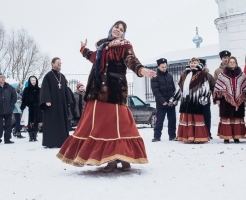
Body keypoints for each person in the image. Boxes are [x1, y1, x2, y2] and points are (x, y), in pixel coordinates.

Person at [57, 21, 156, 172]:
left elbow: (131, 60)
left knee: (122, 125)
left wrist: (141, 69)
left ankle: (123, 157)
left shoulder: (124, 45)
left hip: (115, 91)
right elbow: (92, 57)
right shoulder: (102, 47)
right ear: (111, 29)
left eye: (121, 29)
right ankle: (110, 159)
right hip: (97, 91)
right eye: (116, 27)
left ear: (123, 34)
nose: (118, 30)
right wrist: (83, 49)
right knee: (101, 127)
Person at [213, 57, 246, 144]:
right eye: (231, 62)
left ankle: (237, 137)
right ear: (228, 63)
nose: (232, 63)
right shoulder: (222, 74)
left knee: (237, 117)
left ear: (236, 63)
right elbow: (217, 88)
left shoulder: (241, 75)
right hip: (226, 100)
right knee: (227, 117)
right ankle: (226, 137)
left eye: (234, 62)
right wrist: (217, 99)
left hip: (238, 100)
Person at [39, 58, 73, 148]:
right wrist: (47, 100)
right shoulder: (48, 76)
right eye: (57, 63)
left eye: (60, 63)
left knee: (62, 122)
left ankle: (62, 141)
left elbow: (66, 89)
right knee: (52, 122)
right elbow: (45, 89)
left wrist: (68, 101)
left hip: (61, 104)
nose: (59, 64)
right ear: (52, 64)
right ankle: (51, 142)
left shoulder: (62, 76)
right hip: (52, 105)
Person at [177, 58, 211, 143]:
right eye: (191, 63)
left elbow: (206, 87)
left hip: (196, 100)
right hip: (185, 101)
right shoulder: (184, 74)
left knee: (196, 118)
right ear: (189, 64)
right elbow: (179, 87)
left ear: (198, 64)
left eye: (195, 63)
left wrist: (204, 97)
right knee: (187, 119)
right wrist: (174, 98)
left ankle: (199, 137)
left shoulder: (202, 74)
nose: (193, 64)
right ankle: (187, 137)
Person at [150, 58, 176, 142]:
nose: (164, 68)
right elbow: (155, 91)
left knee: (172, 120)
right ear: (158, 67)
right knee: (159, 121)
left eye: (165, 67)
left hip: (171, 103)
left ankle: (172, 136)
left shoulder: (170, 76)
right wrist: (162, 101)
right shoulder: (155, 77)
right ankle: (157, 136)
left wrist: (174, 99)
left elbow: (173, 89)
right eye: (162, 67)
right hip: (161, 104)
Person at [0, 73, 17, 145]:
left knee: (8, 125)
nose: (3, 79)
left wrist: (11, 104)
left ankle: (7, 139)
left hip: (8, 109)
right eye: (1, 77)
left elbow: (14, 96)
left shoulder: (9, 87)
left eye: (4, 77)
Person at [21, 76, 42, 142]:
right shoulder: (26, 89)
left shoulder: (39, 89)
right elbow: (24, 99)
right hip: (29, 108)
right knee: (30, 122)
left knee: (36, 121)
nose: (33, 82)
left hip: (37, 108)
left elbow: (41, 99)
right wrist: (23, 105)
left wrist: (41, 106)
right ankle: (30, 136)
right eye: (32, 80)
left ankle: (35, 135)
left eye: (34, 80)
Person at [199, 59, 215, 139]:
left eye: (201, 64)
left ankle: (208, 133)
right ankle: (198, 133)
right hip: (195, 102)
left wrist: (214, 96)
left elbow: (213, 87)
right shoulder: (192, 75)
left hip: (206, 101)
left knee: (207, 117)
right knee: (197, 118)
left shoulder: (208, 75)